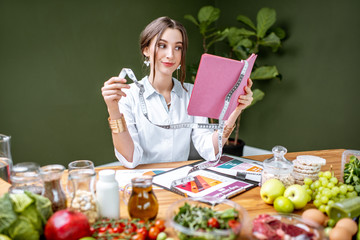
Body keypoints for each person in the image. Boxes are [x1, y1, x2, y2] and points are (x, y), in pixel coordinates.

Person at [101, 16, 253, 168]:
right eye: (162, 45)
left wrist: (235, 110)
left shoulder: (192, 93)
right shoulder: (128, 95)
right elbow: (130, 159)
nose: (171, 55)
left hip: (180, 182)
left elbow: (208, 150)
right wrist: (113, 110)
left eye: (178, 47)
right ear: (146, 50)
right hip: (143, 184)